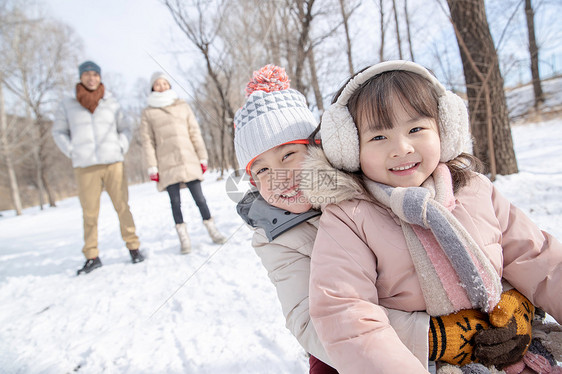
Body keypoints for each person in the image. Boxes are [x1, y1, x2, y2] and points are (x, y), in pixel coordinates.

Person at [233, 65, 531, 374]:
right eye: (262, 170)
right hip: (347, 348)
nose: (279, 177)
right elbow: (311, 319)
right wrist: (431, 336)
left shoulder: (369, 184)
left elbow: (478, 240)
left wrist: (513, 295)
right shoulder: (276, 239)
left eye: (287, 156)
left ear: (319, 149)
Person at [304, 60, 562, 373]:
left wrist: (514, 301)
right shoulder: (350, 217)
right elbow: (347, 313)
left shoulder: (476, 190)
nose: (401, 148)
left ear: (445, 130)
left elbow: (541, 260)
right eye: (378, 137)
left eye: (415, 129)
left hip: (513, 355)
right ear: (350, 148)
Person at [52, 60, 144, 275]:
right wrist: (73, 151)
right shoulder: (67, 104)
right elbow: (58, 132)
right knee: (89, 213)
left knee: (123, 206)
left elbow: (126, 128)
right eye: (87, 74)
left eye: (95, 74)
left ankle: (134, 248)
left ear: (100, 77)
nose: (91, 78)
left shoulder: (111, 102)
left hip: (113, 162)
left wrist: (121, 146)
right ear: (81, 77)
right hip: (85, 166)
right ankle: (92, 255)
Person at [140, 72, 227, 254]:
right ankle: (184, 238)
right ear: (152, 87)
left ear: (169, 85)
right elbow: (148, 141)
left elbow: (194, 132)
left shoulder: (182, 106)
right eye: (157, 83)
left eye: (165, 82)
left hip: (188, 159)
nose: (162, 86)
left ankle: (212, 230)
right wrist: (152, 166)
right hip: (166, 162)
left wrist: (202, 156)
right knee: (175, 202)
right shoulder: (148, 112)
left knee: (200, 199)